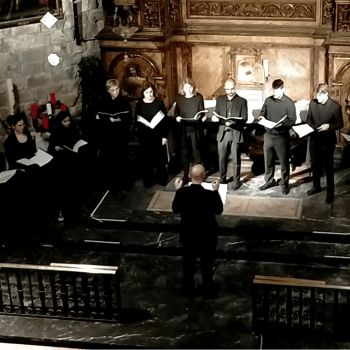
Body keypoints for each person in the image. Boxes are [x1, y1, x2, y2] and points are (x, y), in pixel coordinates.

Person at [172, 164, 223, 299]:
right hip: (206, 236)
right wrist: (216, 190)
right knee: (207, 266)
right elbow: (219, 210)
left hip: (189, 236)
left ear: (190, 177)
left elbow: (176, 209)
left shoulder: (183, 193)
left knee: (188, 265)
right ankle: (208, 290)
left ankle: (188, 290)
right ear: (204, 177)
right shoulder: (210, 195)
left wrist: (178, 190)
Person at [306, 83, 344, 204]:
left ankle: (330, 193)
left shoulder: (335, 107)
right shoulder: (313, 103)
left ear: (326, 94)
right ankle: (316, 187)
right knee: (315, 165)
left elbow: (340, 124)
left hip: (327, 141)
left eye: (320, 96)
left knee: (328, 168)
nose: (317, 98)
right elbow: (308, 119)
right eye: (316, 95)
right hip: (314, 139)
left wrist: (329, 126)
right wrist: (311, 127)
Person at [258, 79, 296, 195]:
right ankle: (269, 181)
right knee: (268, 161)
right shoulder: (268, 100)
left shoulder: (289, 103)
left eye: (276, 91)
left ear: (283, 89)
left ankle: (284, 184)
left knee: (284, 163)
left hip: (281, 137)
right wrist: (261, 117)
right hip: (268, 135)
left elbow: (292, 120)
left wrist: (282, 125)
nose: (274, 94)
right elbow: (262, 112)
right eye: (273, 91)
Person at [212, 78, 248, 190]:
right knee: (222, 158)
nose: (230, 91)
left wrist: (235, 121)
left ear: (235, 87)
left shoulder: (242, 101)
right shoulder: (220, 99)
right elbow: (217, 113)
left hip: (236, 132)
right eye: (228, 89)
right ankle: (222, 179)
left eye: (232, 88)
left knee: (236, 158)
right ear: (224, 88)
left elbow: (245, 118)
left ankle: (236, 181)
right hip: (223, 133)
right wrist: (214, 117)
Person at [97, 79, 132, 188]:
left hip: (121, 134)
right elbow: (99, 118)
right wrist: (108, 120)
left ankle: (124, 183)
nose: (115, 92)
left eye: (117, 89)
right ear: (108, 91)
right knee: (110, 159)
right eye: (112, 90)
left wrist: (118, 120)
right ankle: (112, 183)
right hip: (109, 135)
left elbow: (128, 117)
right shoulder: (103, 101)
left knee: (122, 159)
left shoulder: (124, 101)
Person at [136, 82, 169, 187]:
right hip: (145, 136)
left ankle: (162, 179)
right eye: (146, 92)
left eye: (151, 92)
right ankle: (149, 181)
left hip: (158, 136)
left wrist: (165, 136)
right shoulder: (139, 105)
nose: (149, 95)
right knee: (147, 160)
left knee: (160, 159)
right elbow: (137, 121)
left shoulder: (159, 102)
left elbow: (165, 121)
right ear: (143, 93)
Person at [174, 78, 205, 186]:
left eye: (190, 87)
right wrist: (177, 118)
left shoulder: (198, 97)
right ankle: (186, 175)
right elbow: (176, 112)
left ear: (193, 87)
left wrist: (201, 117)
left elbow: (202, 112)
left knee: (197, 153)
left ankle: (198, 176)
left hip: (195, 129)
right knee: (184, 153)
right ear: (183, 88)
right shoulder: (179, 98)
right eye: (186, 87)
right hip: (183, 129)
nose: (188, 90)